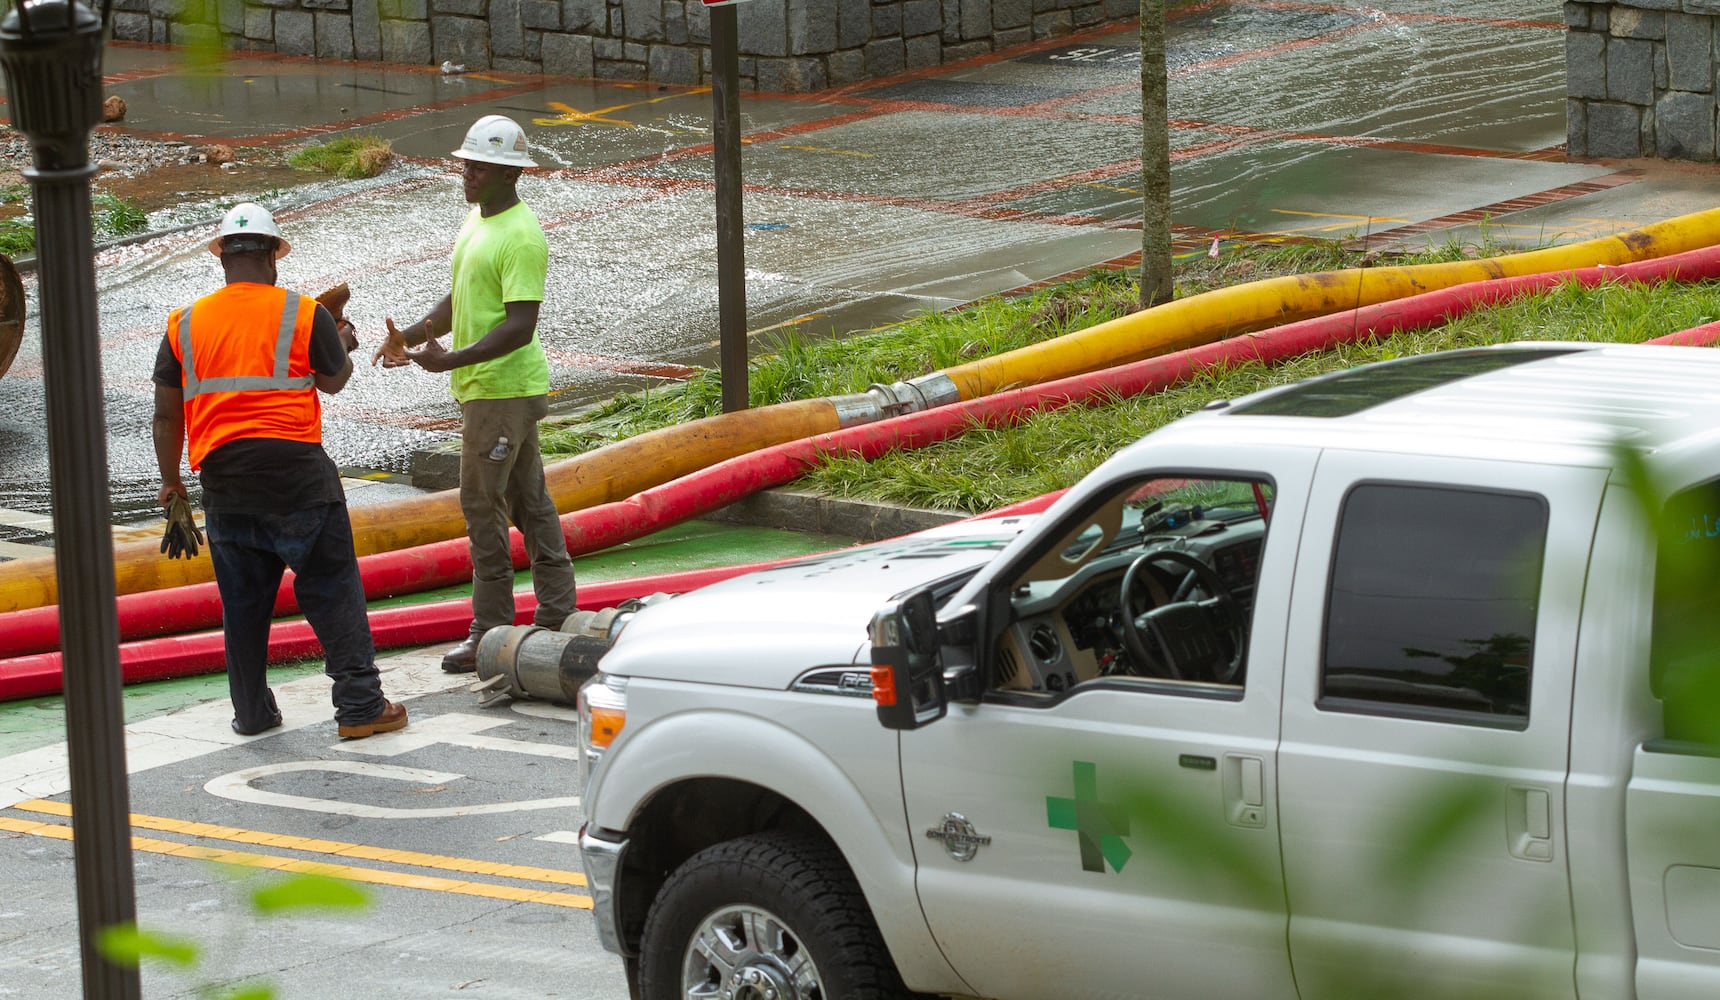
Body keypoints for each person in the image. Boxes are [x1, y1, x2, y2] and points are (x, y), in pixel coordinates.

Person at [152, 202, 409, 739]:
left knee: (243, 606)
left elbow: (166, 414)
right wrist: (343, 341)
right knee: (333, 589)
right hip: (298, 477)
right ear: (272, 256)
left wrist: (172, 483)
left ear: (223, 258)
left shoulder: (185, 322)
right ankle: (360, 706)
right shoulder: (303, 313)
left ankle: (252, 712)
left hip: (225, 482)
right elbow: (334, 381)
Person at [373, 115, 577, 673]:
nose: (467, 173)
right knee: (528, 501)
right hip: (488, 389)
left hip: (501, 392)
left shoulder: (521, 236)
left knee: (479, 504)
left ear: (511, 174)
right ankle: (557, 616)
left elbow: (520, 326)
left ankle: (489, 629)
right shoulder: (478, 220)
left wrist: (451, 360)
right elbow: (459, 297)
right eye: (466, 163)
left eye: (480, 166)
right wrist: (410, 337)